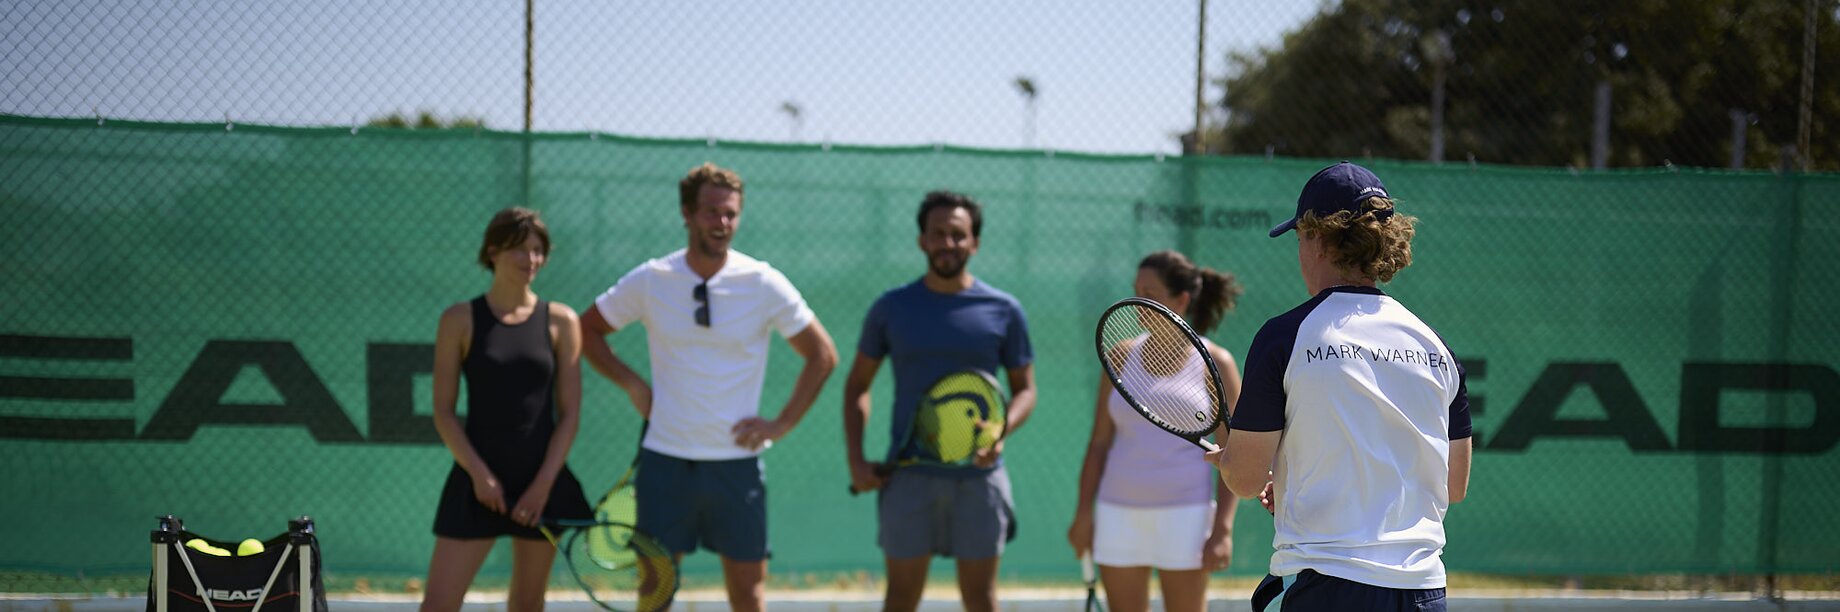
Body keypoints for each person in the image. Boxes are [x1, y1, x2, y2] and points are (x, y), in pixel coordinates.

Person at [1211, 162, 1473, 611]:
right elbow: (1453, 484)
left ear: (1316, 237)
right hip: (1425, 593)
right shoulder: (1435, 346)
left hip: (1330, 588)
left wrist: (1232, 464)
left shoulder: (1284, 337)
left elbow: (1247, 477)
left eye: (1298, 238)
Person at [580, 162, 838, 612]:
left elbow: (823, 355)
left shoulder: (762, 282)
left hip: (736, 467)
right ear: (687, 213)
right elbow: (587, 330)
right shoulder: (651, 279)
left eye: (731, 214)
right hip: (665, 463)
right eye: (712, 212)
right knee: (654, 593)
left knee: (748, 596)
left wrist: (781, 424)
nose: (722, 223)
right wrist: (632, 384)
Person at [842, 190, 1039, 612]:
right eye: (938, 234)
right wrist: (857, 461)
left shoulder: (1004, 310)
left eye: (957, 235)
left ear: (974, 243)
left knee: (982, 600)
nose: (947, 244)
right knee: (900, 600)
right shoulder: (891, 308)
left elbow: (1025, 389)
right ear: (921, 240)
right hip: (909, 478)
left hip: (980, 479)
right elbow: (857, 385)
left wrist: (1001, 430)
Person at [423, 207, 595, 612]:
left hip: (542, 484)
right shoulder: (458, 320)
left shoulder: (561, 321)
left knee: (527, 604)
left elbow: (569, 415)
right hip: (477, 484)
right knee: (438, 605)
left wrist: (543, 485)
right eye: (519, 249)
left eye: (538, 251)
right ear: (493, 251)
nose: (530, 259)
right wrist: (480, 476)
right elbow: (443, 412)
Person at [1068, 250, 1244, 612]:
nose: (1136, 302)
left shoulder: (1218, 364)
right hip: (1118, 512)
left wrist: (1222, 530)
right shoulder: (1118, 356)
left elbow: (1236, 457)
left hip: (1187, 516)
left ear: (1180, 300)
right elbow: (1099, 443)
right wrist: (1084, 513)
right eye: (1135, 291)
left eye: (1149, 294)